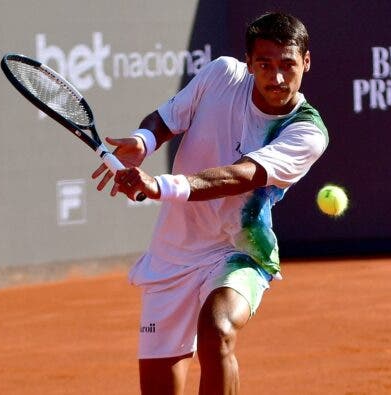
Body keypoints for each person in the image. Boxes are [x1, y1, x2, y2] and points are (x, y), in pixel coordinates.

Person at [91, 12, 328, 394]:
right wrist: (143, 141)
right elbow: (166, 118)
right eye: (265, 65)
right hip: (173, 252)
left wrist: (160, 186)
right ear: (249, 63)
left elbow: (238, 176)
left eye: (288, 64)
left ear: (307, 62)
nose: (278, 77)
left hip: (238, 250)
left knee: (217, 327)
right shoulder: (221, 75)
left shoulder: (306, 131)